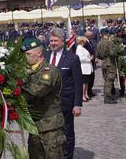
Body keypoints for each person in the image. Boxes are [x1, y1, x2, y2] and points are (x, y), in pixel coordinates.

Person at [21, 38, 65, 159]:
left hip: (50, 125)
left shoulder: (50, 70)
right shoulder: (27, 71)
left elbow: (37, 91)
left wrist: (18, 84)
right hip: (34, 124)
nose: (26, 57)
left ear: (39, 53)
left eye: (28, 54)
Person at [45, 28, 82, 159]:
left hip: (65, 103)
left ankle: (67, 156)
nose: (53, 43)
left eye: (55, 41)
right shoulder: (45, 56)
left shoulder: (72, 58)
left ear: (63, 41)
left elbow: (78, 83)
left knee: (67, 133)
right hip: (47, 104)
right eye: (51, 41)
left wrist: (77, 104)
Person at [96, 28, 118, 104]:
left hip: (103, 63)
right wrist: (116, 50)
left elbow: (98, 55)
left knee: (106, 80)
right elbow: (113, 53)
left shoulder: (99, 43)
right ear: (107, 34)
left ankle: (108, 96)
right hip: (110, 63)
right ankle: (107, 97)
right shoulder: (109, 43)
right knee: (109, 81)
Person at [76, 36, 93, 102]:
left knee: (86, 82)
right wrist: (89, 59)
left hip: (86, 67)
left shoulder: (82, 48)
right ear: (82, 41)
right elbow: (80, 58)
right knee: (83, 83)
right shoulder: (79, 48)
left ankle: (85, 94)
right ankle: (82, 95)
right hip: (83, 67)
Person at [84, 31, 96, 97]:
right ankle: (88, 92)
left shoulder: (89, 42)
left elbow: (92, 50)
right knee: (89, 78)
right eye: (91, 36)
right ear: (88, 36)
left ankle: (89, 91)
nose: (92, 37)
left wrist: (95, 57)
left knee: (92, 77)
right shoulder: (85, 43)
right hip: (88, 62)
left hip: (92, 62)